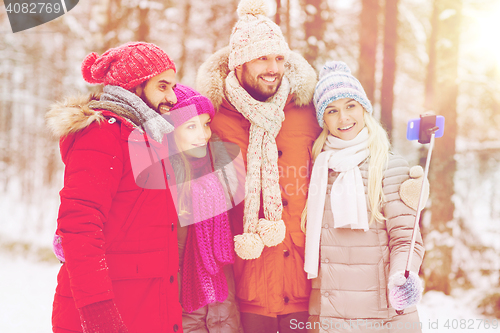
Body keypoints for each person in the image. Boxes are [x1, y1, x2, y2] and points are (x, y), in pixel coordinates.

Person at [195, 0, 322, 331]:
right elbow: (171, 188)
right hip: (246, 282)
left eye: (279, 58)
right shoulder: (211, 119)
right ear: (238, 64)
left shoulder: (306, 112)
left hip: (302, 285)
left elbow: (357, 144)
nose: (273, 68)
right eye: (262, 58)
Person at [46, 42, 183, 333]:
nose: (172, 97)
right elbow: (79, 224)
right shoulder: (101, 135)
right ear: (134, 87)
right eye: (162, 86)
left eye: (173, 86)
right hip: (108, 312)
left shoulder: (147, 137)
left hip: (146, 307)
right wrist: (97, 309)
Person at [302, 61, 425, 332]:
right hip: (329, 317)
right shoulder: (318, 170)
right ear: (323, 119)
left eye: (350, 106)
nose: (343, 118)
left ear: (364, 109)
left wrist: (401, 277)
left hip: (383, 316)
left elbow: (407, 239)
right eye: (332, 110)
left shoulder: (390, 167)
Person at [166, 84, 244, 332]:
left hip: (225, 312)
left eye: (206, 123)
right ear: (171, 133)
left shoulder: (224, 177)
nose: (203, 134)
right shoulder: (164, 188)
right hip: (183, 315)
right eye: (191, 126)